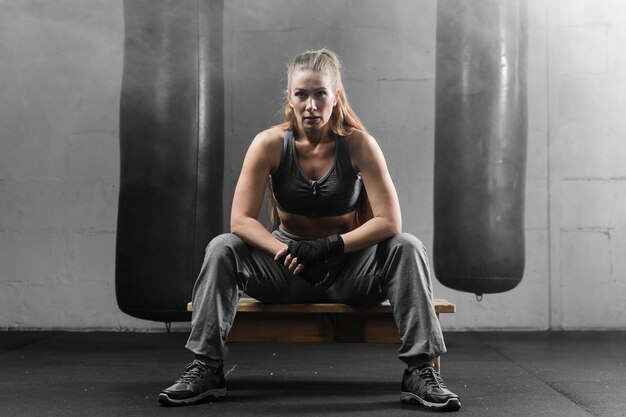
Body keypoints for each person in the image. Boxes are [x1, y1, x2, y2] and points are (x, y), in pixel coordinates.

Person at [158, 48, 461, 411]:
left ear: (336, 96)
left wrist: (329, 247)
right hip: (284, 271)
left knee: (407, 245)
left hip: (349, 272)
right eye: (302, 94)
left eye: (320, 94)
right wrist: (283, 251)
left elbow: (389, 221)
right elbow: (240, 220)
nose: (311, 105)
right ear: (289, 97)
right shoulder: (269, 143)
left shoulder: (359, 144)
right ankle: (206, 368)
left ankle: (419, 371)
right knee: (222, 246)